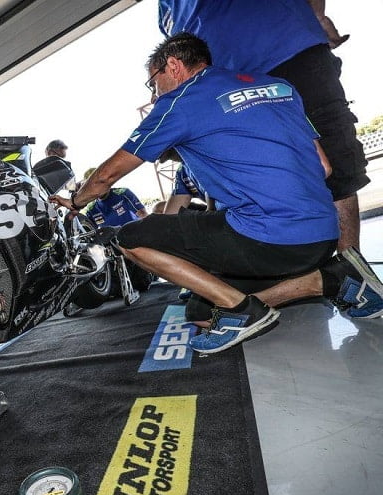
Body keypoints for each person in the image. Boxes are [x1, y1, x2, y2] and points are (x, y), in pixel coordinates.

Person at [50, 33, 383, 355]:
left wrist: (75, 202)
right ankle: (332, 279)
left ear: (173, 65)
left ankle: (245, 311)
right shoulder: (279, 87)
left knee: (131, 237)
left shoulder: (179, 102)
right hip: (323, 236)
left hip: (269, 239)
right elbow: (324, 167)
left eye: (153, 83)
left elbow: (105, 176)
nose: (154, 95)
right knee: (201, 312)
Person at [157, 0, 369, 252]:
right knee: (257, 179)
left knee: (333, 157)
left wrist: (317, 15)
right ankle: (303, 266)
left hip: (286, 51)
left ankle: (350, 264)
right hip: (228, 93)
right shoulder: (165, 10)